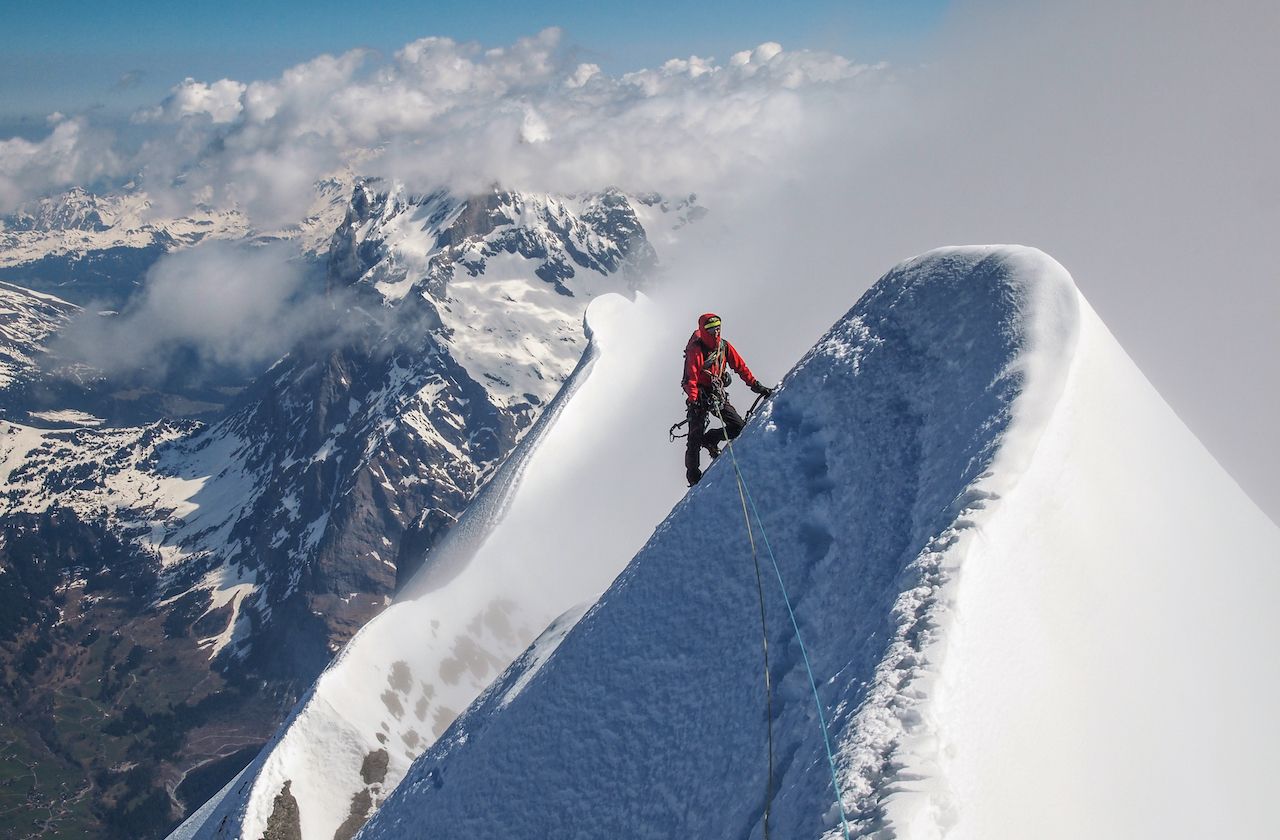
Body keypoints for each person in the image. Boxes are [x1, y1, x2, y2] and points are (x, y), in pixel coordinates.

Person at [682, 312, 773, 486]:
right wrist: (693, 400)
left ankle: (710, 439)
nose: (715, 332)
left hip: (716, 393)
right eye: (710, 329)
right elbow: (690, 379)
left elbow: (740, 367)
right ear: (703, 329)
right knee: (694, 437)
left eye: (717, 328)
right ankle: (693, 476)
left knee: (738, 427)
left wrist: (756, 385)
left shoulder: (724, 347)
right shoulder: (696, 350)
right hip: (700, 396)